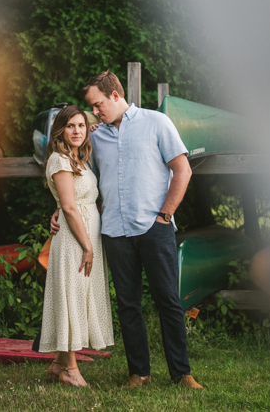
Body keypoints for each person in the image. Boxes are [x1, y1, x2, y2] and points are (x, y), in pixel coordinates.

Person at [51, 70, 203, 390]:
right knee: (128, 305)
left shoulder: (157, 123)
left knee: (168, 302)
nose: (94, 111)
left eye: (97, 104)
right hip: (115, 232)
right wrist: (58, 210)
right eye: (91, 107)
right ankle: (139, 373)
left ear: (116, 96)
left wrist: (166, 215)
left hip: (154, 226)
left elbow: (182, 169)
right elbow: (78, 178)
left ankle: (181, 373)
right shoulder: (96, 135)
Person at [39, 104, 114, 387]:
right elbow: (69, 207)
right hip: (74, 239)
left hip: (84, 235)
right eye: (70, 126)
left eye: (81, 126)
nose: (77, 131)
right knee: (70, 296)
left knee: (77, 295)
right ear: (60, 129)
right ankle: (70, 369)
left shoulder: (78, 159)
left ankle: (59, 364)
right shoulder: (59, 160)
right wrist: (87, 247)